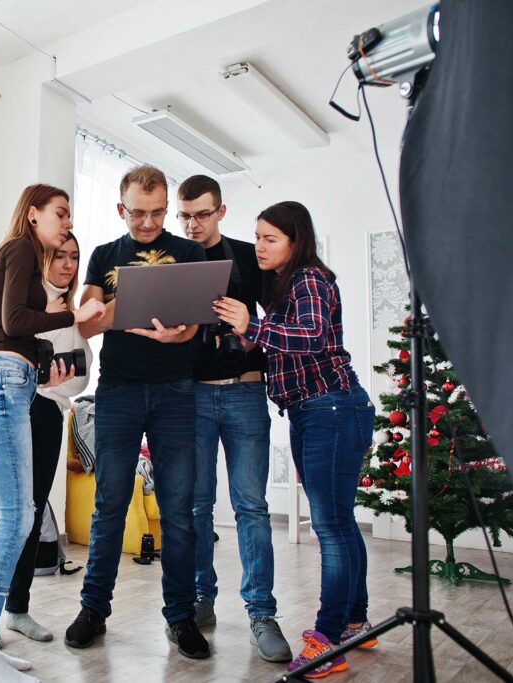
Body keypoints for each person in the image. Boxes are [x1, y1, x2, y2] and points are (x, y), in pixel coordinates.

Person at [213, 201, 377, 679]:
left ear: (295, 240)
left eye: (270, 239)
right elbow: (291, 341)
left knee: (330, 526)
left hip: (332, 409)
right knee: (340, 522)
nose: (259, 247)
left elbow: (310, 337)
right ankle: (355, 623)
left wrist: (252, 325)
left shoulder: (309, 279)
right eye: (257, 237)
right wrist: (253, 339)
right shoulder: (288, 283)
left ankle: (327, 641)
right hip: (317, 410)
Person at [0, 184, 104, 683]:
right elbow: (14, 321)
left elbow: (12, 327)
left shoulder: (13, 254)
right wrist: (74, 316)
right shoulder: (20, 247)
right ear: (33, 213)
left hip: (1, 381)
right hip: (2, 383)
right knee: (17, 519)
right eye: (61, 213)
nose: (68, 222)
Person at [64, 165, 211, 661]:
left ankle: (180, 616)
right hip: (119, 392)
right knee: (108, 504)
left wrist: (178, 334)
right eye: (138, 213)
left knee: (179, 511)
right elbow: (85, 325)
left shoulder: (189, 253)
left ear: (166, 208)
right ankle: (93, 609)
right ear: (120, 208)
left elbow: (196, 326)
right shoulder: (104, 256)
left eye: (157, 212)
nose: (148, 223)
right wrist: (112, 305)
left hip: (176, 393)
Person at [176, 176, 291, 662]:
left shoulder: (249, 256)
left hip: (245, 391)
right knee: (197, 506)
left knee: (252, 507)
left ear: (221, 211)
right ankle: (201, 599)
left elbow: (283, 319)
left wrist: (250, 327)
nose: (192, 224)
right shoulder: (173, 260)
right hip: (193, 396)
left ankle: (261, 613)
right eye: (185, 215)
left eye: (202, 214)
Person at [5, 233, 93, 642]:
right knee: (7, 515)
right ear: (43, 259)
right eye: (60, 256)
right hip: (20, 408)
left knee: (33, 510)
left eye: (74, 257)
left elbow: (79, 381)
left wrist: (50, 380)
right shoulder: (25, 307)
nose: (68, 264)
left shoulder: (72, 317)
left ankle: (16, 609)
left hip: (49, 415)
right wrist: (43, 380)